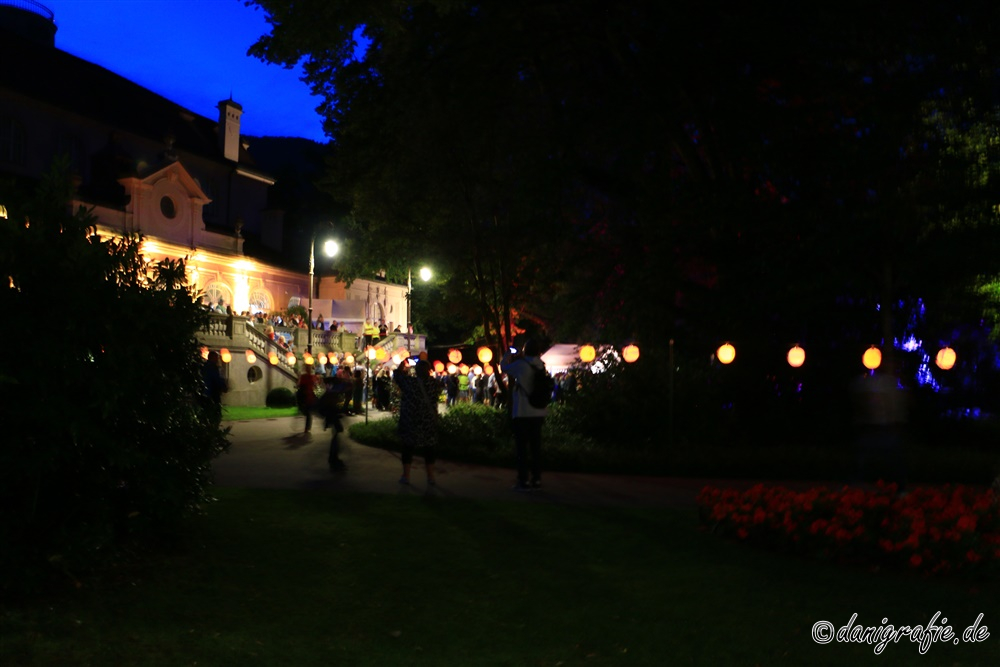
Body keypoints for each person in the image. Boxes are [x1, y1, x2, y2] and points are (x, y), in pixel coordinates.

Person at [501, 339, 548, 490]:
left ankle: (523, 480)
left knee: (522, 448)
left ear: (525, 350)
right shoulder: (541, 365)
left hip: (522, 411)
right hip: (539, 411)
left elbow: (503, 367)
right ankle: (537, 479)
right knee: (536, 447)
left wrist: (508, 354)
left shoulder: (521, 365)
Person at [394, 359, 439, 486]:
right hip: (428, 421)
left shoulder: (410, 383)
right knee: (429, 448)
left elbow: (397, 375)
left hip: (411, 419)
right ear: (429, 371)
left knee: (408, 447)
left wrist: (402, 364)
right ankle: (431, 477)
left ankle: (406, 475)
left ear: (416, 371)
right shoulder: (434, 384)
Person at [317, 375, 347, 472]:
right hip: (332, 416)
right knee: (336, 434)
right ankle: (333, 458)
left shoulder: (330, 393)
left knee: (336, 434)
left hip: (332, 416)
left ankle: (333, 457)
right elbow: (326, 406)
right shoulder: (329, 394)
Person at [201, 350, 228, 420]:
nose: (217, 359)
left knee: (205, 412)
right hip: (212, 393)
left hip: (203, 393)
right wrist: (223, 387)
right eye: (216, 357)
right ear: (213, 357)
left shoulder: (204, 366)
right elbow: (216, 379)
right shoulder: (213, 367)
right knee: (215, 413)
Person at [296, 365, 321, 434]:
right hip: (306, 395)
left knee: (308, 412)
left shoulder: (309, 377)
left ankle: (307, 428)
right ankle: (307, 428)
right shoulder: (305, 376)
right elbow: (315, 385)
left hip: (308, 396)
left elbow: (299, 384)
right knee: (307, 412)